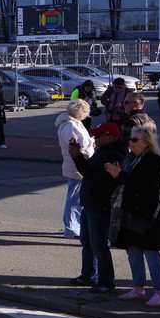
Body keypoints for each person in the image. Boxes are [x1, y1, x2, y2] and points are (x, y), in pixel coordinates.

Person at [108, 126, 160, 307]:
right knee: (133, 252)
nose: (130, 142)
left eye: (135, 139)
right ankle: (138, 289)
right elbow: (125, 184)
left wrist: (121, 176)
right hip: (130, 213)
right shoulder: (130, 159)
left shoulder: (154, 161)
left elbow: (147, 187)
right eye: (129, 138)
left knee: (151, 253)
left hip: (148, 215)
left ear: (146, 143)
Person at [70, 121, 128, 293]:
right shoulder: (104, 150)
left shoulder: (114, 154)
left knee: (100, 246)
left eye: (98, 136)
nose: (95, 138)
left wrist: (77, 157)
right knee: (88, 243)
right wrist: (79, 155)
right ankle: (88, 275)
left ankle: (106, 282)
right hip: (91, 204)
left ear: (110, 137)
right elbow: (91, 170)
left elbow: (93, 174)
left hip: (100, 206)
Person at [56, 99, 94, 239]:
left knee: (77, 197)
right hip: (75, 164)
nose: (86, 115)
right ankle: (71, 228)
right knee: (75, 198)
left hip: (76, 163)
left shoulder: (73, 123)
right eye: (85, 112)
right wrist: (92, 142)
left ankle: (75, 226)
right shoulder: (70, 125)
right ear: (80, 112)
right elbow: (77, 145)